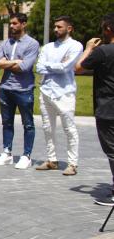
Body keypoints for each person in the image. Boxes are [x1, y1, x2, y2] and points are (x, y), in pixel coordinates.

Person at [35, 16, 83, 175]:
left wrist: (51, 66)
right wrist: (55, 66)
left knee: (69, 128)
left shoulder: (75, 46)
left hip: (64, 93)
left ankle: (72, 163)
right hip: (46, 90)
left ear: (69, 28)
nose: (55, 29)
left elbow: (66, 67)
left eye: (59, 27)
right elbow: (39, 67)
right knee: (48, 128)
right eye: (55, 26)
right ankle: (52, 160)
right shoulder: (47, 47)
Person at [75, 13, 114, 206]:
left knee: (112, 150)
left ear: (107, 28)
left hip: (107, 108)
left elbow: (78, 68)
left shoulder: (103, 51)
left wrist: (89, 48)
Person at [0, 13, 40, 169]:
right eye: (10, 23)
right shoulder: (5, 43)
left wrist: (7, 62)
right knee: (6, 123)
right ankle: (7, 152)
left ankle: (26, 155)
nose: (11, 26)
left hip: (23, 89)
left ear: (23, 24)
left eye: (14, 23)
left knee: (28, 124)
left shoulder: (32, 44)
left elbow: (24, 67)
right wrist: (14, 61)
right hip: (6, 88)